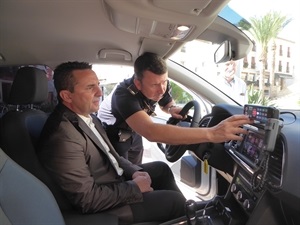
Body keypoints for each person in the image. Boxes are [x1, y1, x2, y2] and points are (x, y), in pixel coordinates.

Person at [37, 61, 187, 224]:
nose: (99, 93)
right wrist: (135, 188)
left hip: (113, 180)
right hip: (106, 206)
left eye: (98, 85)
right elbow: (87, 199)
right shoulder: (62, 137)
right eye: (89, 87)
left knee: (161, 169)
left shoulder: (88, 117)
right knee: (175, 201)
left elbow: (112, 156)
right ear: (67, 96)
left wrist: (134, 171)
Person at [98, 52, 251, 164]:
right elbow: (151, 131)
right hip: (114, 135)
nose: (161, 89)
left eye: (164, 81)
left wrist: (172, 109)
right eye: (155, 85)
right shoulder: (124, 95)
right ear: (138, 84)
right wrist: (212, 133)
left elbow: (165, 103)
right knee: (123, 174)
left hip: (134, 133)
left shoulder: (160, 83)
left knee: (137, 170)